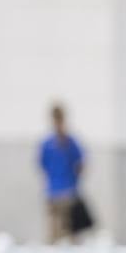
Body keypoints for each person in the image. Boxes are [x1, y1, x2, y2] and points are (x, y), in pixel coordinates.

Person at [37, 103, 84, 243]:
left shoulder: (69, 142)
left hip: (67, 191)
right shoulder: (50, 143)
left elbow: (80, 164)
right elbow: (43, 165)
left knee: (71, 234)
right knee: (55, 233)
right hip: (56, 191)